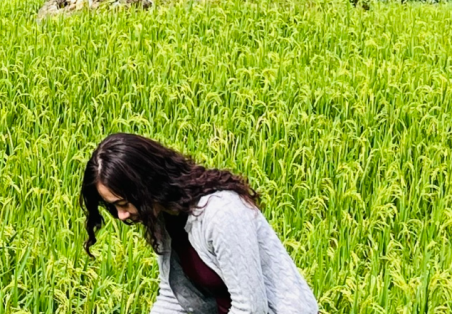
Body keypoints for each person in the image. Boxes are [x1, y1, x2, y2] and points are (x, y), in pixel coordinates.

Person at [80, 133, 318, 314]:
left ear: (146, 184)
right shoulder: (164, 218)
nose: (121, 215)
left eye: (123, 204)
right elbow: (173, 297)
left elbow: (251, 309)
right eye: (114, 207)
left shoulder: (221, 212)